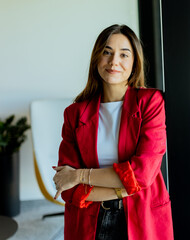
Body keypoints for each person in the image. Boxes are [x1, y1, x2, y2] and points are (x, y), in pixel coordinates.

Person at [52, 24, 173, 240]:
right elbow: (68, 188)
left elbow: (142, 174)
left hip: (141, 217)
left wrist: (80, 176)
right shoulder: (74, 113)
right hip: (89, 220)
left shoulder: (150, 103)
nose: (114, 61)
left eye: (123, 54)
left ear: (134, 62)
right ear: (96, 58)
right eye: (107, 52)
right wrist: (123, 189)